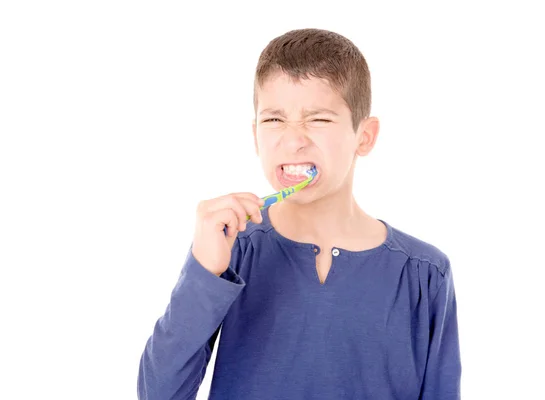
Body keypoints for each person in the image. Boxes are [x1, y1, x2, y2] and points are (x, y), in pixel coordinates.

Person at [137, 28, 461, 400]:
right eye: (274, 120)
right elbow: (158, 393)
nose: (292, 140)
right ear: (255, 134)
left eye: (318, 120)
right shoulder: (232, 252)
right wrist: (204, 272)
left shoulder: (425, 274)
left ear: (365, 137)